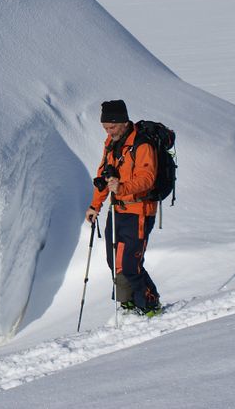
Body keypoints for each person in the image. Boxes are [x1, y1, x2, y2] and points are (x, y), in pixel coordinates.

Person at [85, 100, 161, 315]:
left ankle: (149, 304)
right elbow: (104, 176)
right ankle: (127, 303)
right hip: (117, 211)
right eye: (105, 128)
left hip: (139, 210)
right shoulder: (111, 143)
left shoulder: (142, 144)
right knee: (114, 262)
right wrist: (94, 205)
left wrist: (122, 187)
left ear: (124, 122)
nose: (108, 132)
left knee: (130, 264)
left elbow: (147, 178)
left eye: (112, 127)